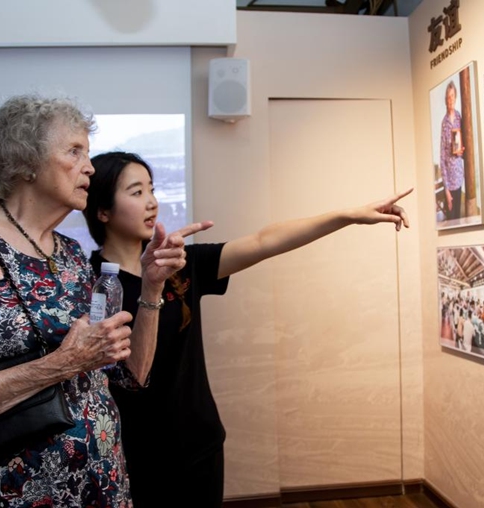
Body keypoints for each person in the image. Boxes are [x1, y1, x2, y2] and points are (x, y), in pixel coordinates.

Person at [0, 94, 195, 507]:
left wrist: (152, 287)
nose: (90, 166)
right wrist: (60, 365)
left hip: (104, 487)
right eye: (74, 151)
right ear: (26, 161)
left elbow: (130, 375)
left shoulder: (71, 255)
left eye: (88, 153)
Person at [83, 151, 413, 507]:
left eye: (152, 189)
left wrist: (347, 216)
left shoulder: (180, 265)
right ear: (102, 210)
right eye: (136, 192)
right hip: (133, 454)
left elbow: (262, 241)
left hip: (200, 443)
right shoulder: (88, 286)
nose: (152, 202)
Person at [440, 80, 465, 221]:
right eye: (448, 97)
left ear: (455, 98)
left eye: (452, 96)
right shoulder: (444, 123)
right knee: (451, 219)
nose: (450, 99)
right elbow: (442, 156)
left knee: (458, 219)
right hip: (449, 182)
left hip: (459, 177)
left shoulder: (459, 117)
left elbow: (462, 143)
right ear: (445, 100)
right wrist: (446, 190)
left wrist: (461, 150)